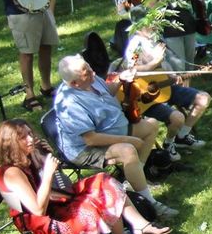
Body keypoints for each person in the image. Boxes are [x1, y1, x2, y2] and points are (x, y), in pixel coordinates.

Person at [0, 119, 169, 234]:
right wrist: (48, 172)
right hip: (47, 223)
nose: (31, 139)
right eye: (23, 138)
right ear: (10, 143)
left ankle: (135, 228)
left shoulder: (24, 156)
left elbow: (55, 183)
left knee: (103, 181)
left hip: (54, 201)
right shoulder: (11, 172)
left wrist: (44, 159)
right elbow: (38, 210)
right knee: (91, 202)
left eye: (29, 134)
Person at [53, 55, 177, 219]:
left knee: (151, 125)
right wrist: (128, 140)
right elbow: (90, 139)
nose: (93, 72)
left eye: (89, 67)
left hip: (112, 129)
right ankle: (149, 201)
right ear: (74, 84)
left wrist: (120, 80)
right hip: (85, 149)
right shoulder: (70, 104)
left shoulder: (89, 77)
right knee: (127, 150)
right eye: (86, 72)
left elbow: (108, 91)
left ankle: (135, 177)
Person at [123, 24, 211, 155]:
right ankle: (169, 143)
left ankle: (182, 136)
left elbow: (162, 66)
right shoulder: (136, 45)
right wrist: (154, 63)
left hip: (165, 86)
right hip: (146, 96)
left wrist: (173, 76)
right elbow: (131, 69)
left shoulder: (155, 40)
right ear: (139, 28)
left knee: (203, 99)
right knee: (178, 118)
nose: (154, 27)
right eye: (150, 25)